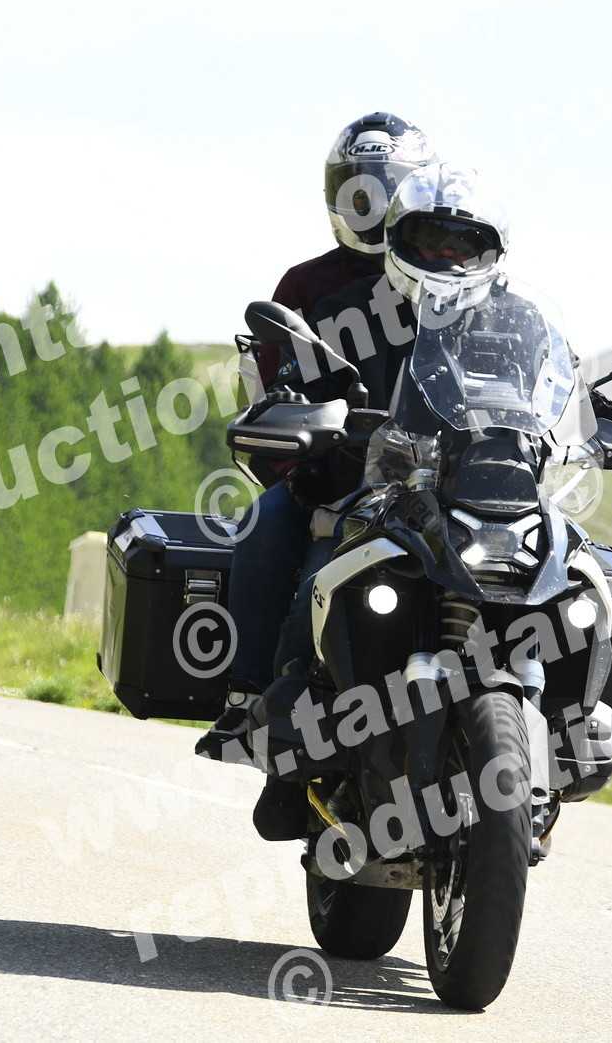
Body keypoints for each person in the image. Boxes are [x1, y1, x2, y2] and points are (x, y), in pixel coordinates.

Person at [204, 162, 512, 841]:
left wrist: (597, 416)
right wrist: (303, 410)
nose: (446, 256)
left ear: (489, 250)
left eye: (463, 243)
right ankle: (283, 748)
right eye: (430, 239)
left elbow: (549, 389)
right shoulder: (347, 311)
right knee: (316, 583)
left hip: (475, 505)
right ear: (400, 239)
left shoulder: (510, 323)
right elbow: (297, 382)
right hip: (367, 496)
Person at [194, 116, 436, 814]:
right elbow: (272, 376)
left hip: (436, 478)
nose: (373, 205)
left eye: (388, 190)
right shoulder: (308, 283)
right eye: (360, 191)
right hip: (333, 476)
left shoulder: (449, 281)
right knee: (267, 528)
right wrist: (295, 418)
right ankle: (253, 704)